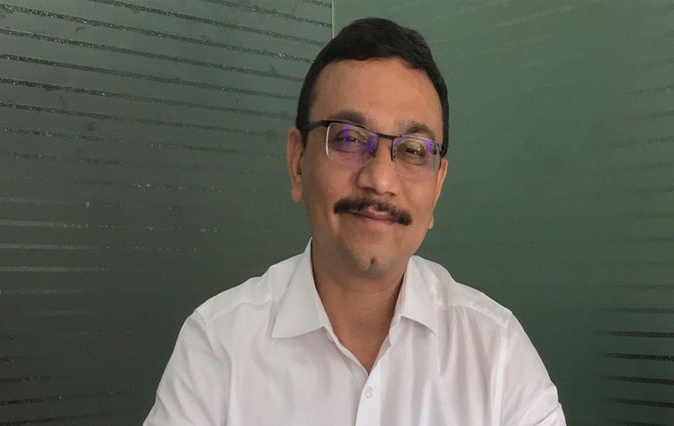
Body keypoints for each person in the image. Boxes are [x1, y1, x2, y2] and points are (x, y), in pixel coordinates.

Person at [144, 18, 566, 426]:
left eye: (413, 150)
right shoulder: (218, 345)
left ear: (438, 185)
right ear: (297, 162)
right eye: (348, 138)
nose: (380, 179)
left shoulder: (497, 353)